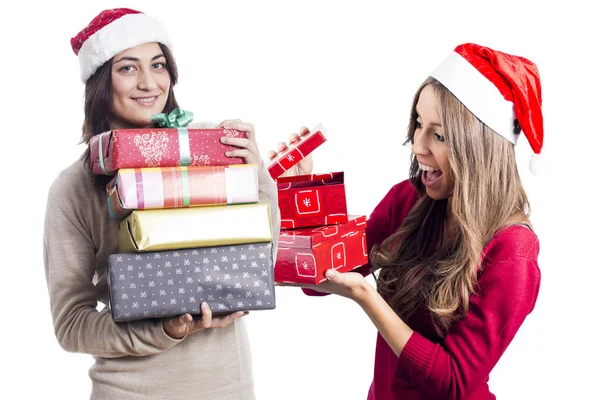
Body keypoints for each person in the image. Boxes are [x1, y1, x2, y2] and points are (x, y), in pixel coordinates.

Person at [43, 7, 301, 399]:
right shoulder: (73, 188)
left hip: (229, 386)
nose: (149, 83)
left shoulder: (210, 149)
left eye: (158, 65)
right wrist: (164, 330)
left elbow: (257, 263)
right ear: (100, 82)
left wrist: (256, 174)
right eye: (128, 68)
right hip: (131, 391)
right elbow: (71, 325)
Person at [272, 43, 543, 399]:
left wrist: (366, 298)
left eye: (439, 134)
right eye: (418, 124)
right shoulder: (409, 199)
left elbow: (453, 381)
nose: (417, 145)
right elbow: (318, 276)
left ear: (479, 147)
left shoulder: (513, 250)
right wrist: (300, 190)